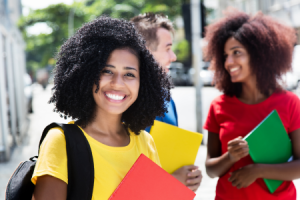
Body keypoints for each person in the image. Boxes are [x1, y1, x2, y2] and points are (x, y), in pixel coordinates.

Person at [31, 16, 172, 199]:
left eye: (129, 74)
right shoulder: (61, 141)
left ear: (142, 83)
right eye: (107, 71)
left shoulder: (144, 142)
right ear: (86, 74)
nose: (117, 83)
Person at [203, 10, 300, 200]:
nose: (228, 62)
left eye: (236, 53)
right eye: (225, 55)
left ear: (259, 55)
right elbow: (211, 170)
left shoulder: (290, 103)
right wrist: (229, 157)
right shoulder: (218, 106)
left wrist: (257, 171)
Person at [131, 13, 202, 192]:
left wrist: (189, 178)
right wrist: (171, 179)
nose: (174, 56)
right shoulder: (121, 102)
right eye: (168, 48)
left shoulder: (167, 98)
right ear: (145, 50)